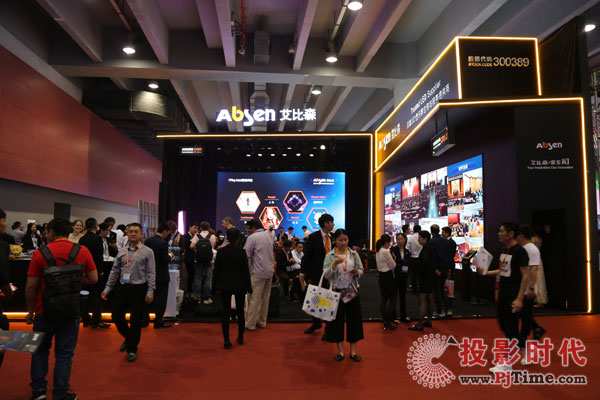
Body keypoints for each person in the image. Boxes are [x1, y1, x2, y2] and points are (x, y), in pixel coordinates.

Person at [25, 217, 98, 400]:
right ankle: (60, 393)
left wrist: (30, 311)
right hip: (71, 311)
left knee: (39, 351)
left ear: (50, 232)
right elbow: (93, 278)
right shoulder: (82, 251)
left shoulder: (40, 253)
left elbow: (31, 287)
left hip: (44, 311)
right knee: (65, 355)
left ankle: (39, 392)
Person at [477, 221, 529, 374]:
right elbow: (502, 270)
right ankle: (524, 348)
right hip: (503, 293)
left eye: (502, 231)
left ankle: (507, 363)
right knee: (504, 324)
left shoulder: (520, 251)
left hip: (513, 293)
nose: (499, 234)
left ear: (511, 234)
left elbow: (525, 276)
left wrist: (519, 298)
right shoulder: (505, 250)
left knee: (510, 328)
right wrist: (486, 273)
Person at [101, 223, 156, 362]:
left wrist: (150, 291)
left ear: (141, 234)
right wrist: (107, 289)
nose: (133, 234)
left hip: (139, 289)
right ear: (127, 233)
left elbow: (151, 273)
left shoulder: (148, 252)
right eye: (130, 231)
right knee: (116, 316)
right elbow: (114, 271)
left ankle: (132, 349)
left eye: (136, 231)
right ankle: (129, 337)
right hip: (122, 288)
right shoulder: (121, 251)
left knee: (135, 321)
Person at [323, 229, 364, 362]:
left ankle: (353, 351)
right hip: (336, 291)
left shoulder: (353, 254)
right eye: (340, 240)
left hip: (351, 291)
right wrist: (334, 265)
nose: (343, 242)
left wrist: (357, 273)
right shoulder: (330, 256)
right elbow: (326, 275)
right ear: (335, 241)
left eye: (345, 239)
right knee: (337, 322)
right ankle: (340, 351)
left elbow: (361, 270)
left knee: (354, 321)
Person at [213, 228, 252, 349]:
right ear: (238, 238)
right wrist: (249, 287)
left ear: (227, 238)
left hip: (225, 284)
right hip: (240, 284)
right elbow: (246, 271)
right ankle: (240, 337)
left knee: (225, 313)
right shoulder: (242, 252)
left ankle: (226, 340)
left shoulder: (221, 252)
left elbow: (216, 271)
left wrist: (214, 287)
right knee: (240, 312)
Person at [301, 213, 335, 336]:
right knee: (315, 298)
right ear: (326, 224)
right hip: (316, 272)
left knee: (329, 299)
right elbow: (307, 255)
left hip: (331, 272)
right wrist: (303, 271)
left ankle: (328, 328)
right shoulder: (314, 237)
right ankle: (316, 322)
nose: (333, 225)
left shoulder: (334, 237)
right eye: (331, 222)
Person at [517, 225, 546, 358]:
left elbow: (533, 269)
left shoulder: (531, 249)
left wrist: (531, 287)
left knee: (525, 314)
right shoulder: (524, 248)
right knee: (525, 313)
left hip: (528, 287)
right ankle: (536, 329)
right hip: (523, 286)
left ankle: (523, 340)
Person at [78, 218, 110, 329]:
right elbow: (98, 257)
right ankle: (96, 320)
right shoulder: (97, 239)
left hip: (84, 271)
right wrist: (100, 271)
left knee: (84, 296)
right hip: (95, 271)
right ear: (96, 226)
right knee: (96, 296)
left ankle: (85, 318)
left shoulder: (82, 239)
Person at [243, 219, 274, 330]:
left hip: (257, 272)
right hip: (269, 271)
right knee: (265, 298)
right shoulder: (269, 236)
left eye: (247, 228)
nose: (246, 230)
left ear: (253, 228)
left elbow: (245, 256)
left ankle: (250, 324)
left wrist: (245, 272)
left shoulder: (252, 238)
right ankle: (262, 321)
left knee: (254, 299)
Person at [144, 222, 172, 329]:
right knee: (161, 299)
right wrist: (170, 256)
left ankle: (144, 320)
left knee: (147, 297)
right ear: (165, 231)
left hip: (149, 273)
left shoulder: (148, 241)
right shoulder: (163, 243)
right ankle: (158, 321)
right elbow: (164, 259)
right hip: (161, 274)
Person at [409, 231, 436, 331]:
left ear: (425, 239)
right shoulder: (430, 248)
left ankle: (420, 323)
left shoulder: (426, 249)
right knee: (430, 299)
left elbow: (423, 263)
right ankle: (428, 320)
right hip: (431, 276)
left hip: (425, 277)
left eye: (420, 237)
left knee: (422, 301)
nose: (418, 239)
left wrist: (415, 265)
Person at [0, 209, 14, 368]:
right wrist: (8, 293)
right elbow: (3, 274)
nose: (5, 224)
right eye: (4, 220)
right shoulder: (2, 246)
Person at [429, 224, 453, 317]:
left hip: (437, 269)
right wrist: (449, 267)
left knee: (437, 290)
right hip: (445, 268)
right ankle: (448, 309)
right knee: (442, 289)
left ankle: (440, 310)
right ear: (439, 231)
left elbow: (433, 257)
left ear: (431, 231)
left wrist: (435, 269)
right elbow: (449, 255)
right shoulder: (446, 241)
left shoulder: (432, 241)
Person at [191, 221, 216, 304]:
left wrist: (197, 249)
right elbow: (213, 247)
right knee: (208, 278)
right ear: (209, 228)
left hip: (199, 260)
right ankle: (206, 298)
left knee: (198, 277)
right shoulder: (212, 236)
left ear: (200, 228)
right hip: (209, 260)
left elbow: (191, 246)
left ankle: (197, 297)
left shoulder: (197, 236)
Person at [375, 234, 397, 330]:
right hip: (388, 276)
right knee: (392, 299)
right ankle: (388, 321)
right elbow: (393, 265)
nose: (390, 244)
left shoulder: (378, 251)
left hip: (381, 276)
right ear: (386, 242)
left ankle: (384, 320)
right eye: (389, 242)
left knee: (384, 299)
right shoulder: (385, 252)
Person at [391, 232, 411, 323]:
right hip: (395, 275)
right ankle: (393, 316)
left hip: (404, 275)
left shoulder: (407, 251)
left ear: (405, 240)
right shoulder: (393, 249)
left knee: (403, 296)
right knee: (394, 296)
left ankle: (404, 315)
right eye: (398, 239)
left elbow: (408, 262)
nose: (400, 241)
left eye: (401, 239)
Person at [180, 222, 199, 295]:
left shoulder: (196, 236)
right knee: (190, 274)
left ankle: (192, 290)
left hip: (195, 258)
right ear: (190, 228)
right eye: (194, 228)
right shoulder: (185, 236)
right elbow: (188, 245)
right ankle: (189, 290)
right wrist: (195, 238)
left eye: (197, 228)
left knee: (194, 275)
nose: (195, 230)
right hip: (188, 258)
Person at [406, 224, 422, 292]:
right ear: (420, 230)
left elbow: (407, 248)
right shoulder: (422, 237)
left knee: (413, 274)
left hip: (412, 258)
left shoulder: (410, 238)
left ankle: (414, 289)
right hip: (421, 258)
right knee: (421, 273)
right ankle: (421, 287)